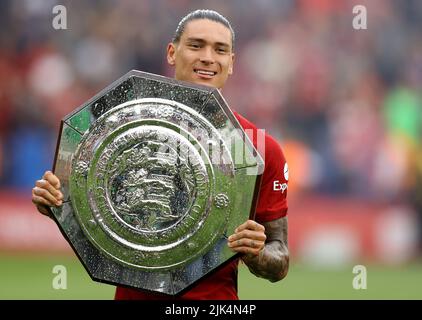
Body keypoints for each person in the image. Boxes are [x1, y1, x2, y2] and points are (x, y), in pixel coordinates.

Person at [31, 9, 289, 300]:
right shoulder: (121, 129)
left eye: (220, 50)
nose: (207, 57)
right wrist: (57, 203)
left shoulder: (257, 147)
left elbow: (280, 259)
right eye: (196, 45)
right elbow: (91, 214)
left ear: (231, 63)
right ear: (171, 52)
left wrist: (256, 254)